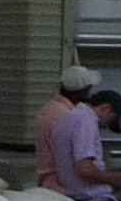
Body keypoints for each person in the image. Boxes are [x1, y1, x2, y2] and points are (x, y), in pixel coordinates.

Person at [32, 62, 100, 192]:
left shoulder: (46, 110)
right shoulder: (70, 118)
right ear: (83, 91)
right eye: (89, 89)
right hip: (63, 186)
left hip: (45, 182)